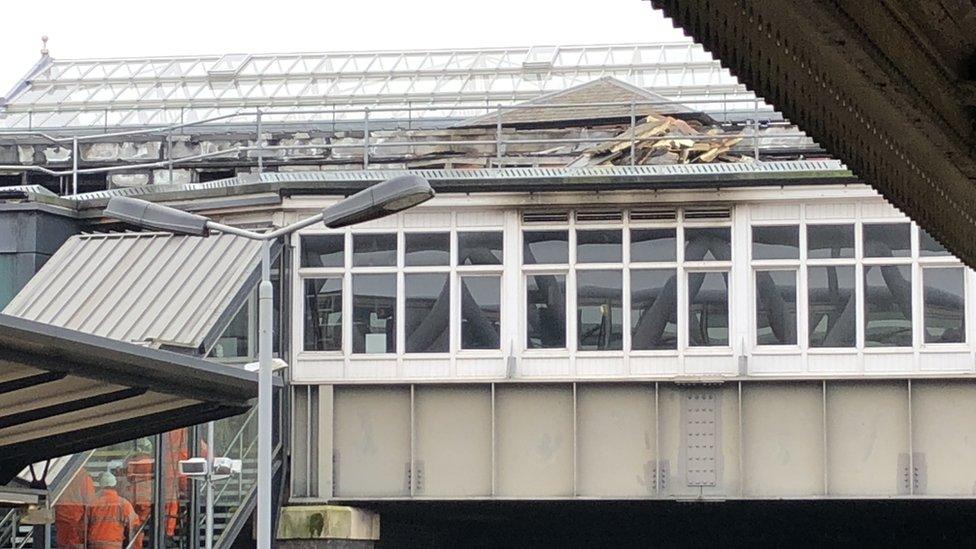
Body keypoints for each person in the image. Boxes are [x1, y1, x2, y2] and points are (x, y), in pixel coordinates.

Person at [87, 472, 140, 549]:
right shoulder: (124, 504)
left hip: (94, 545)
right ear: (115, 486)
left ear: (101, 486)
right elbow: (135, 527)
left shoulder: (92, 503)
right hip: (114, 545)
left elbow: (82, 527)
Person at [54, 471, 95, 549]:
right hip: (77, 520)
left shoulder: (60, 475)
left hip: (61, 518)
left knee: (62, 544)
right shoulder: (84, 477)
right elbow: (90, 502)